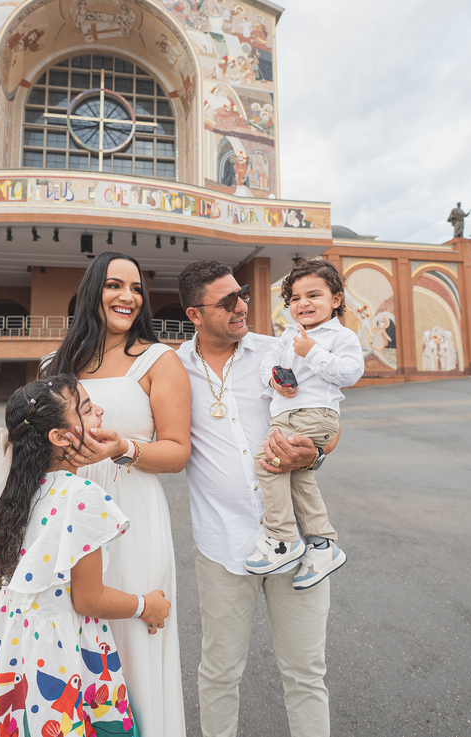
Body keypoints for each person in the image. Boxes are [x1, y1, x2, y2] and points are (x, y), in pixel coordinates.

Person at [177, 259, 341, 737]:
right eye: (227, 302)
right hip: (223, 546)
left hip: (296, 547)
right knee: (219, 674)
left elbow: (328, 427)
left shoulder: (280, 350)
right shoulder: (171, 368)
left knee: (306, 674)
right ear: (194, 314)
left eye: (242, 293)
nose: (242, 306)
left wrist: (312, 453)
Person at [0, 375, 171, 737]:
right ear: (61, 437)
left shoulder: (16, 490)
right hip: (63, 656)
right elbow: (89, 599)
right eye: (88, 409)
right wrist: (147, 605)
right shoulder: (81, 496)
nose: (101, 411)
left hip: (16, 651)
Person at [45, 252, 192, 737]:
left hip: (131, 515)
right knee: (68, 632)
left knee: (130, 626)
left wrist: (124, 449)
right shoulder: (54, 364)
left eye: (136, 288)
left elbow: (176, 452)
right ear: (93, 292)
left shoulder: (159, 360)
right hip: (64, 511)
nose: (127, 296)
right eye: (114, 285)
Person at [249, 259, 363, 586]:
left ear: (336, 300)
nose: (304, 303)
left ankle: (283, 538)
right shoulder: (287, 335)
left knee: (267, 463)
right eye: (295, 298)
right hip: (288, 413)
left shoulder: (340, 336)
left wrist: (312, 351)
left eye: (314, 295)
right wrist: (275, 382)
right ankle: (322, 544)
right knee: (298, 478)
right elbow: (267, 366)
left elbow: (350, 373)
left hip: (314, 414)